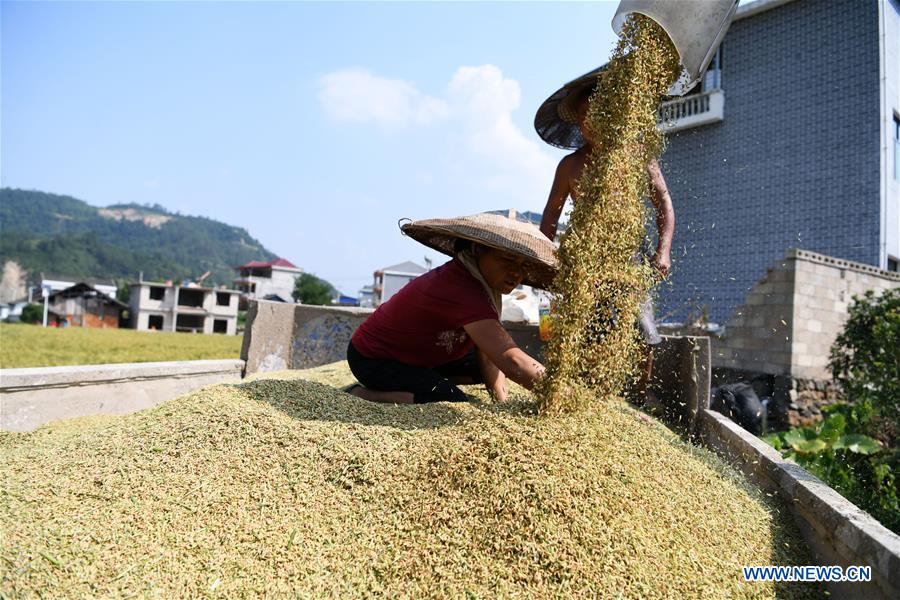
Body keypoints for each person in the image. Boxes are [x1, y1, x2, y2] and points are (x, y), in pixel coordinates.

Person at [534, 67, 675, 399]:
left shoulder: (639, 156)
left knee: (642, 329)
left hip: (629, 259)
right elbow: (550, 220)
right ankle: (578, 392)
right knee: (575, 328)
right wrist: (543, 261)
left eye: (598, 113)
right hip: (584, 258)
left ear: (615, 112)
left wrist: (663, 250)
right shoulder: (570, 166)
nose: (590, 122)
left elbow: (665, 205)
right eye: (583, 116)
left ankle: (638, 398)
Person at [346, 213, 555, 404]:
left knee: (480, 367)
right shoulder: (461, 288)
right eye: (508, 260)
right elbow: (513, 361)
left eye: (523, 265)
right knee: (445, 397)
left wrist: (500, 403)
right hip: (375, 358)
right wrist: (561, 392)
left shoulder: (483, 285)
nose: (516, 273)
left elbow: (489, 352)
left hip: (422, 355)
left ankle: (423, 380)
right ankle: (364, 395)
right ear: (477, 249)